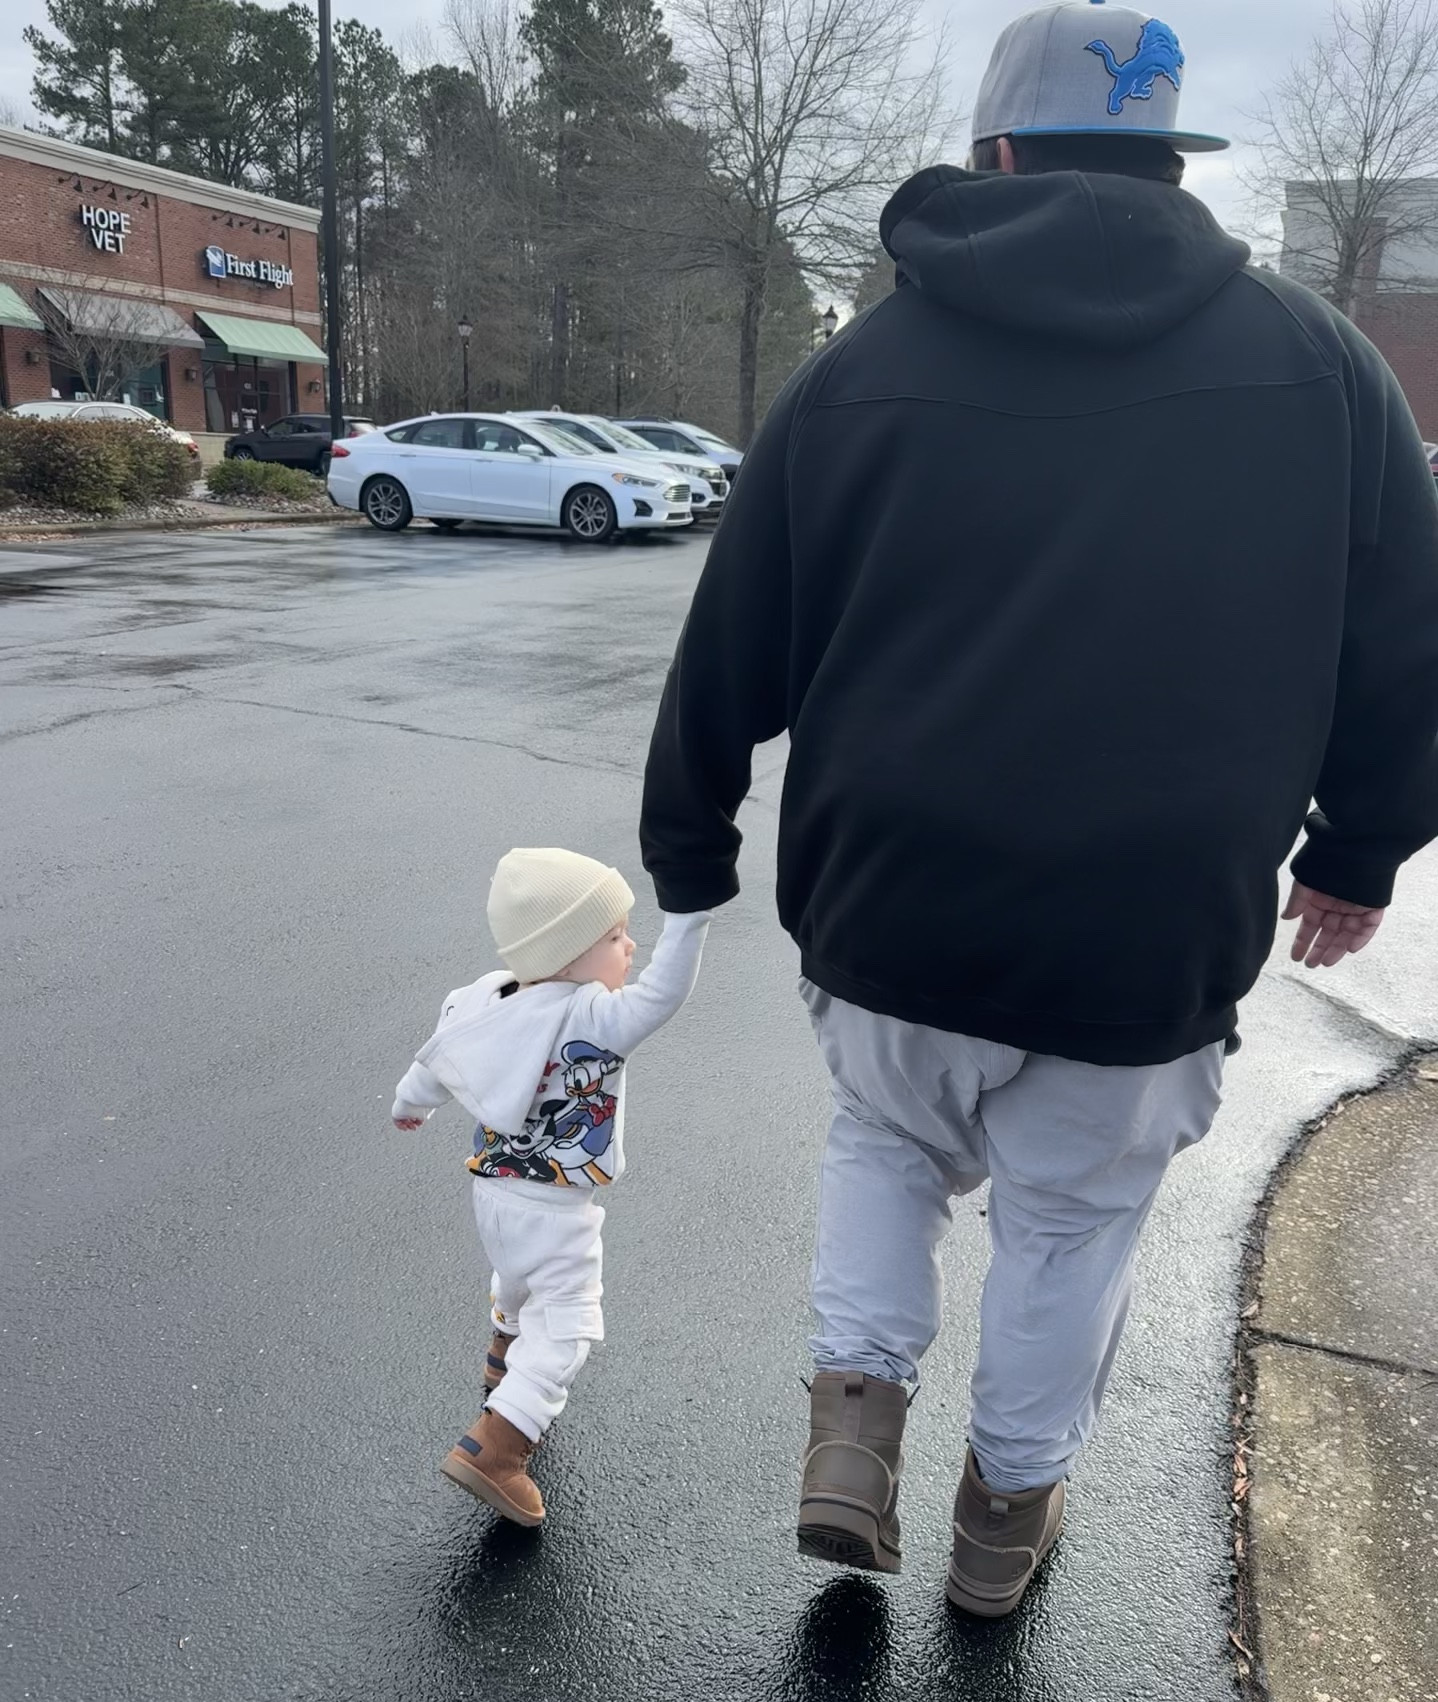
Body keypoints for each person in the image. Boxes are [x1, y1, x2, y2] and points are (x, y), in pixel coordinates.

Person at [639, 2, 1438, 1616]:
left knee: (881, 1145)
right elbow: (1404, 630)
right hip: (1143, 922)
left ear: (992, 153)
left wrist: (687, 846)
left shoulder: (861, 367)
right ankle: (1000, 1529)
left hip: (889, 892)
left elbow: (736, 628)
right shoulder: (1318, 365)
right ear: (1167, 156)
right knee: (1069, 1228)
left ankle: (850, 1437)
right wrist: (1356, 847)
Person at [392, 847, 709, 1526]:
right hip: (559, 1210)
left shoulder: (485, 996)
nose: (632, 947)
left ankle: (503, 1357)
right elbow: (665, 992)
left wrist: (408, 1105)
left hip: (494, 1196)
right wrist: (693, 913)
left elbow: (435, 1059)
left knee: (516, 1279)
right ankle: (499, 1448)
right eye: (616, 938)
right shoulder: (593, 1019)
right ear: (567, 956)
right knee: (567, 1322)